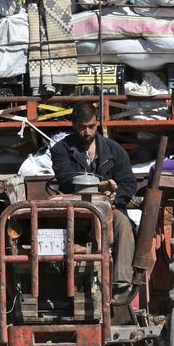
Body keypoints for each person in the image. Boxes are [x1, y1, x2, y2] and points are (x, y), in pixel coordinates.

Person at [50, 102, 139, 302]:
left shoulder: (114, 150)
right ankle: (56, 282)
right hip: (74, 209)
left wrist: (116, 197)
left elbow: (128, 183)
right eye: (82, 127)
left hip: (109, 209)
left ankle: (120, 285)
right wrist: (101, 187)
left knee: (123, 224)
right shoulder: (60, 149)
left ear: (97, 123)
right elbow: (66, 181)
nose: (87, 131)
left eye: (91, 126)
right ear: (73, 124)